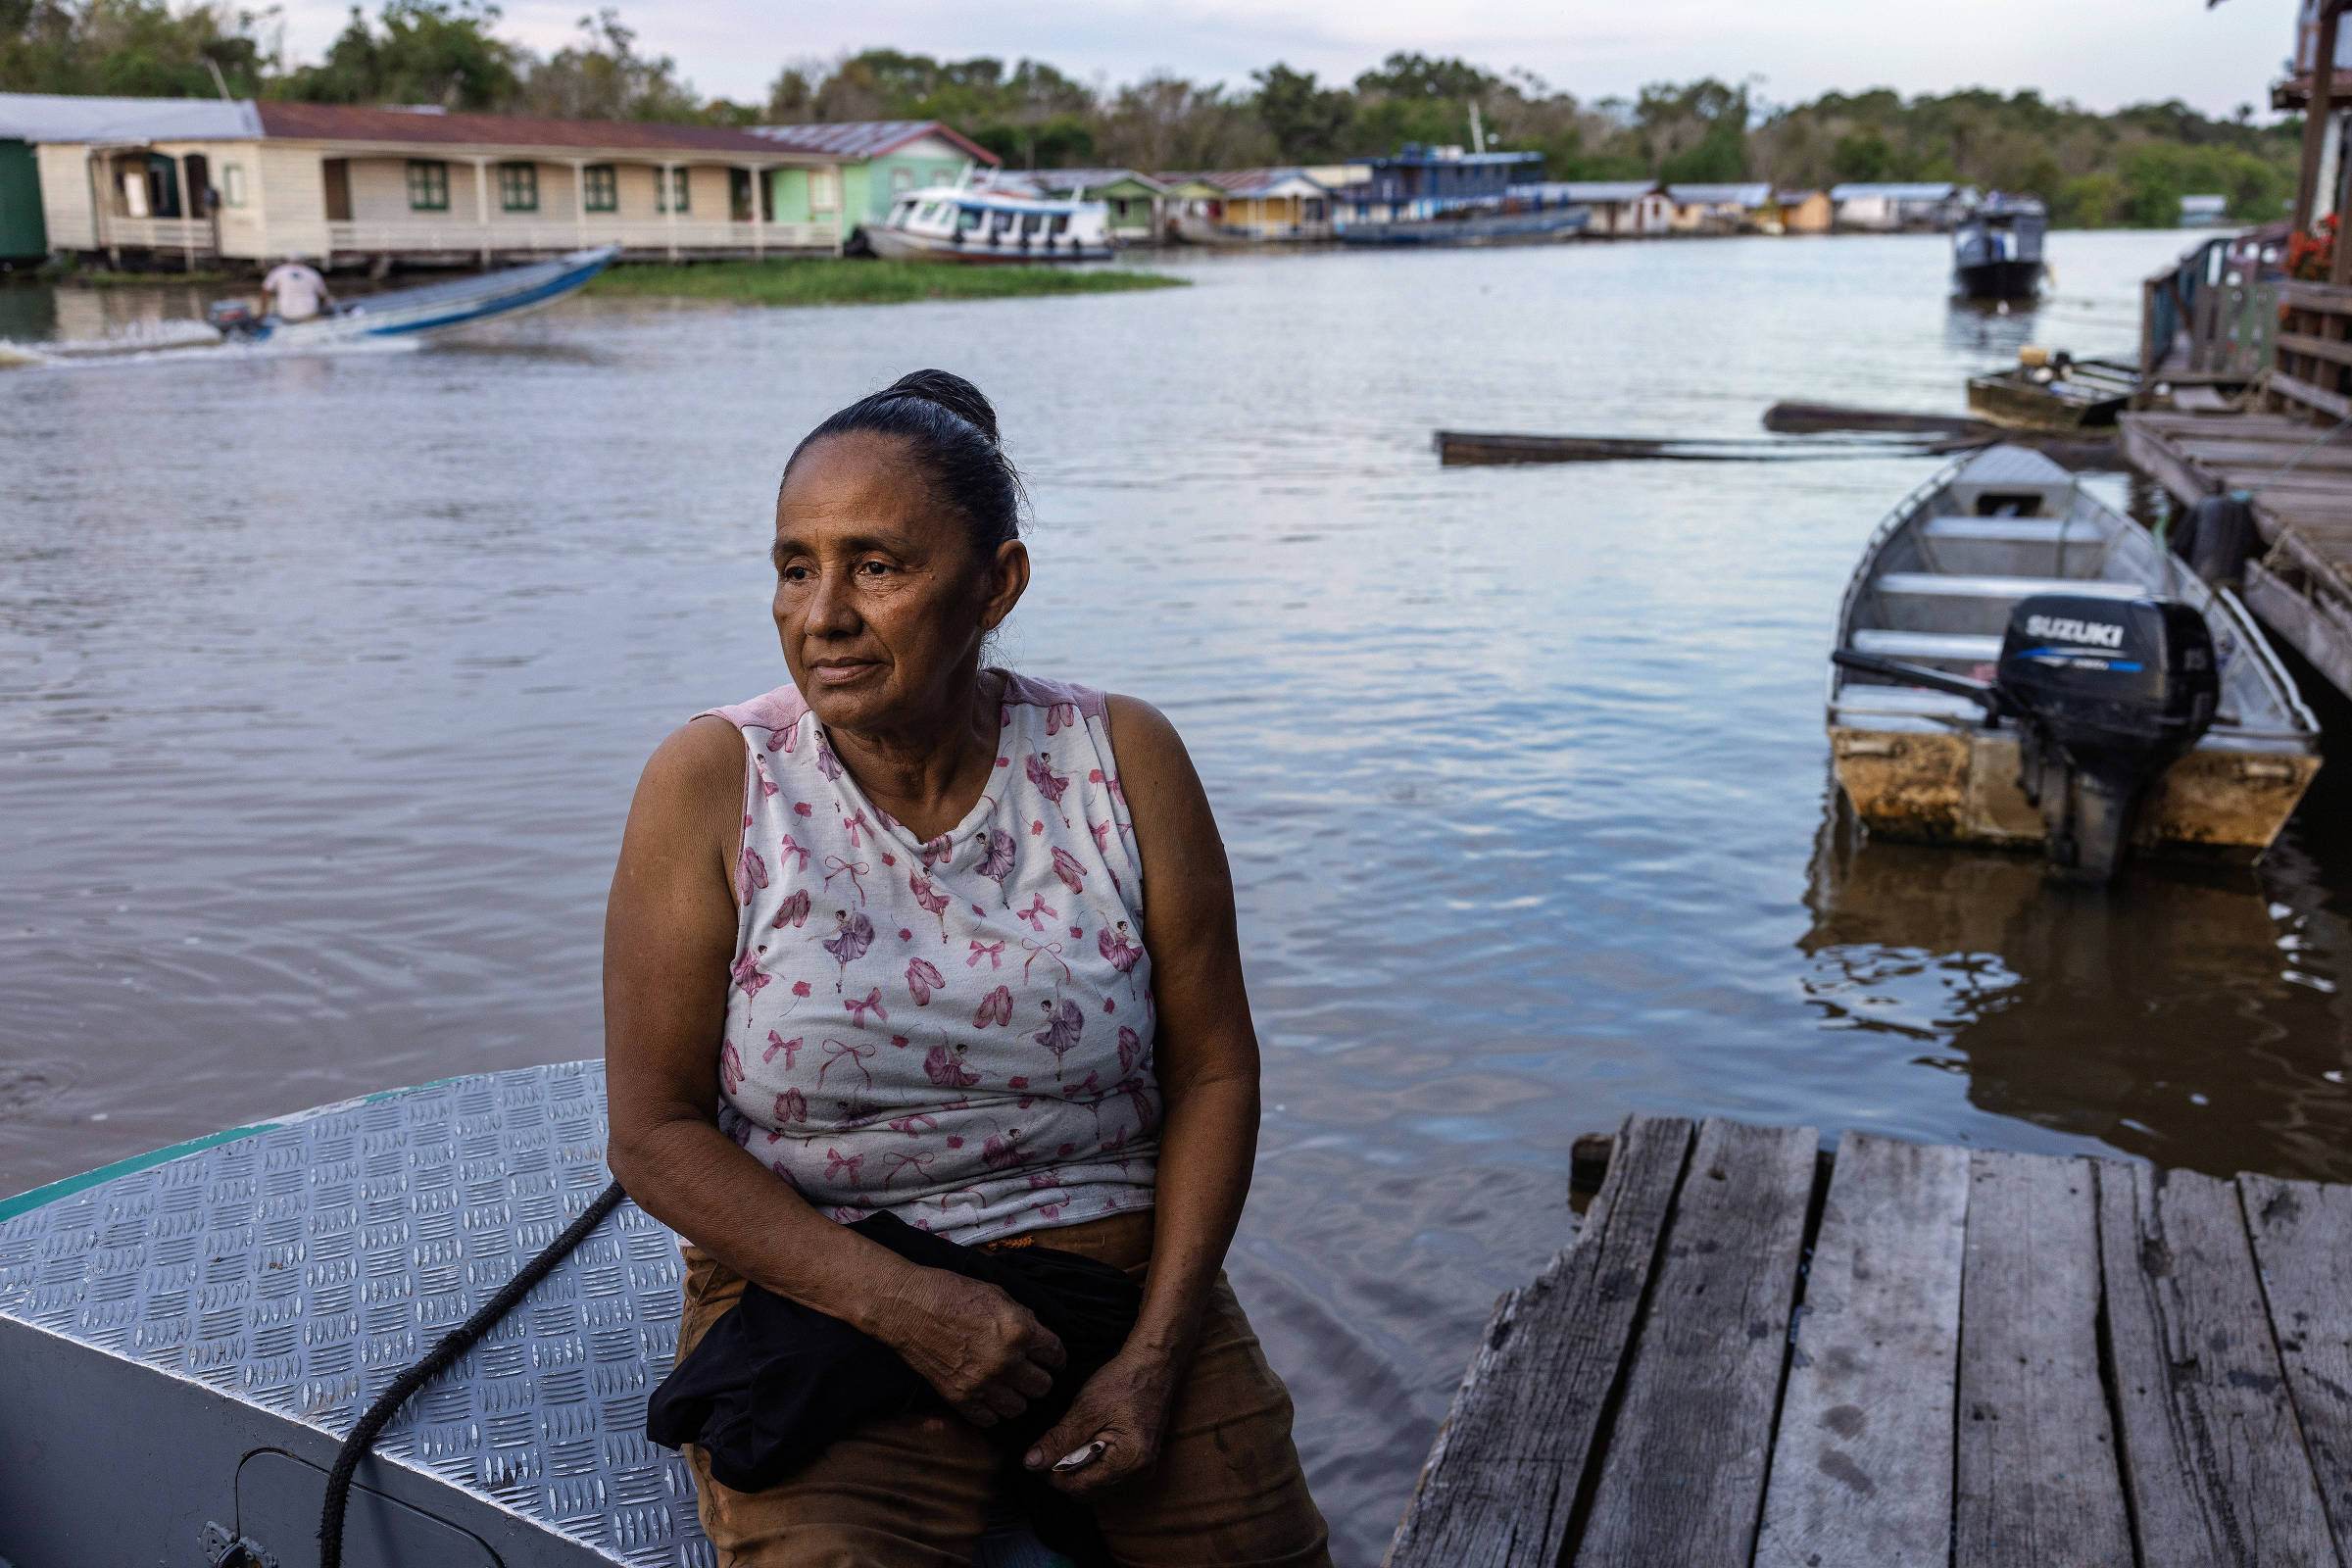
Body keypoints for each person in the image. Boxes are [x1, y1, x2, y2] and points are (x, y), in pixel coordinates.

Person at [604, 369, 1331, 1567]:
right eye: (796, 566)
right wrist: (904, 1304)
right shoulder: (718, 782)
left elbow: (1212, 1074)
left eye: (876, 566)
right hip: (824, 1280)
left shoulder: (1121, 758)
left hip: (1116, 1271)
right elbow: (655, 1131)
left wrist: (1154, 1359)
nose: (822, 614)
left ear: (998, 584)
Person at [260, 254, 333, 322]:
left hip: (286, 314)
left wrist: (263, 312)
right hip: (309, 313)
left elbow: (265, 290)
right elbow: (323, 295)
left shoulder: (278, 271)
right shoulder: (312, 273)